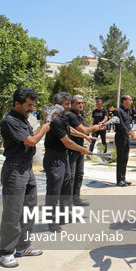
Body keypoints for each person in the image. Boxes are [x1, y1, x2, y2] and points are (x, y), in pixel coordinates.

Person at [0, 88, 50, 268]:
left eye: (32, 105)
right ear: (17, 103)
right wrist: (45, 127)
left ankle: (23, 245)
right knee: (13, 213)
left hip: (26, 169)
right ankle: (6, 251)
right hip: (14, 169)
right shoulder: (10, 121)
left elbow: (31, 136)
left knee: (29, 210)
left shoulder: (22, 119)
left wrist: (41, 127)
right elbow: (32, 141)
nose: (31, 108)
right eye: (28, 105)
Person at [43, 92, 91, 232]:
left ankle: (64, 215)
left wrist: (85, 137)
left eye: (70, 104)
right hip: (54, 159)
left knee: (66, 186)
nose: (69, 107)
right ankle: (52, 222)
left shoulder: (62, 118)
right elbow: (67, 141)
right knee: (54, 191)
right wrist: (82, 150)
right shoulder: (56, 120)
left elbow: (70, 131)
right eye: (67, 104)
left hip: (63, 157)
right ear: (58, 105)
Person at [66, 95, 104, 206]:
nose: (81, 105)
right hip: (72, 149)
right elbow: (83, 130)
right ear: (72, 104)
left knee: (79, 174)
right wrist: (96, 127)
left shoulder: (78, 116)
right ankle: (68, 200)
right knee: (71, 176)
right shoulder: (71, 116)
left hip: (80, 148)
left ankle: (76, 198)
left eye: (82, 102)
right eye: (78, 103)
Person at [115, 95, 136, 187]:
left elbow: (127, 124)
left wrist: (131, 131)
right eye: (130, 100)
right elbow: (121, 125)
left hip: (126, 136)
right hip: (120, 136)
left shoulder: (127, 111)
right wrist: (131, 133)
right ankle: (119, 180)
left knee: (125, 158)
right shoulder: (118, 111)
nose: (131, 102)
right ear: (124, 101)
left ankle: (123, 178)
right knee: (120, 158)